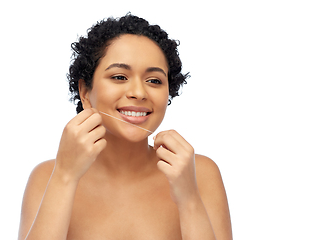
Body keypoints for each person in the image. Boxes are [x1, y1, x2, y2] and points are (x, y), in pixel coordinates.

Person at [18, 14, 232, 240]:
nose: (139, 92)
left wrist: (189, 200)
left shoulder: (201, 174)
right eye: (119, 77)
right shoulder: (47, 176)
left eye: (154, 80)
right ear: (85, 92)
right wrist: (65, 177)